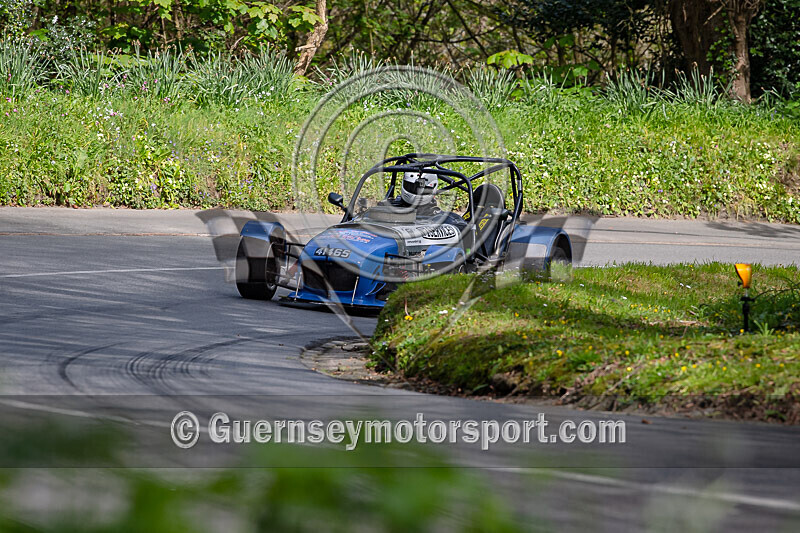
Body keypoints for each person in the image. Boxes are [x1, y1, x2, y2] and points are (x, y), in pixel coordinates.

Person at [384, 171, 467, 230]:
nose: (415, 191)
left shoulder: (449, 221)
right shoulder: (387, 209)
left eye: (420, 189)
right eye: (410, 187)